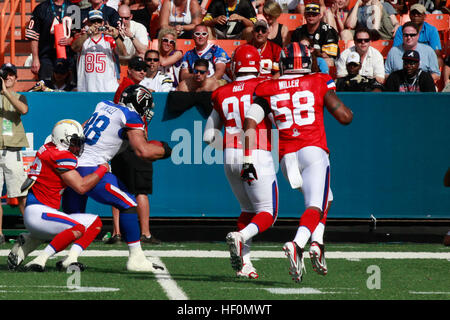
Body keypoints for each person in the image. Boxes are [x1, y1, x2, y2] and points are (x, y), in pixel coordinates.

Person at [241, 42, 353, 282]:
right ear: (307, 62)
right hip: (313, 151)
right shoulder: (319, 81)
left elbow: (250, 122)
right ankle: (298, 244)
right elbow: (345, 118)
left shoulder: (267, 87)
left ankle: (317, 243)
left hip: (286, 158)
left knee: (327, 198)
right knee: (316, 205)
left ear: (283, 63)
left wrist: (248, 158)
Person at [61, 85, 171, 272]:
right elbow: (142, 151)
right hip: (91, 169)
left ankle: (64, 256)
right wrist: (165, 150)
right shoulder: (130, 117)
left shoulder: (103, 105)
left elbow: (82, 129)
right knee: (128, 203)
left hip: (71, 167)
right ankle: (136, 258)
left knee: (75, 219)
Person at [203, 44, 278, 279]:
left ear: (235, 66)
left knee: (247, 210)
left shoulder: (222, 91)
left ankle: (245, 265)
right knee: (269, 212)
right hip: (255, 154)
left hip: (230, 156)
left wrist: (227, 148)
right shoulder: (264, 87)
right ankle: (241, 237)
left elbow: (207, 136)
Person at [7, 119, 105, 271]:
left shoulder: (50, 147)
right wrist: (102, 169)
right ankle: (40, 259)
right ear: (62, 140)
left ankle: (69, 258)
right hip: (39, 213)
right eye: (73, 142)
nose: (77, 146)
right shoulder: (60, 156)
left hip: (42, 212)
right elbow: (81, 186)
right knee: (77, 228)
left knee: (95, 223)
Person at [0, 63, 30, 245]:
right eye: (5, 75)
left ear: (16, 78)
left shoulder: (20, 97)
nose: (8, 78)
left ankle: (33, 231)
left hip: (13, 150)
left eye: (11, 75)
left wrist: (5, 93)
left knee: (20, 194)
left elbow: (23, 110)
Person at [71, 10, 127, 92]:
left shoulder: (109, 39)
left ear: (103, 23)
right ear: (88, 23)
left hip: (107, 88)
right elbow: (74, 47)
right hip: (86, 88)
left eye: (99, 21)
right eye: (93, 21)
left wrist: (116, 36)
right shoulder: (82, 39)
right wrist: (87, 34)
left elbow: (123, 53)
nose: (96, 24)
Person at [25, 0, 75, 81]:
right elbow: (34, 36)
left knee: (68, 89)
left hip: (68, 56)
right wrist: (35, 58)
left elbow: (79, 34)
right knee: (46, 87)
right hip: (46, 56)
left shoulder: (74, 8)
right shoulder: (41, 8)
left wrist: (71, 40)